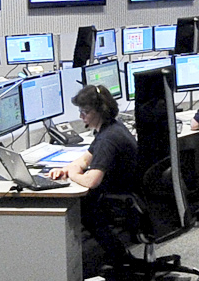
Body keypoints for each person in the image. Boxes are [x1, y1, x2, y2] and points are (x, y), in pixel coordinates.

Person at [49, 83, 141, 267]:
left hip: (122, 200)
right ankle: (117, 255)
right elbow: (85, 159)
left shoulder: (107, 139)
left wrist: (73, 175)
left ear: (100, 111)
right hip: (131, 192)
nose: (81, 116)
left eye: (85, 112)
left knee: (82, 206)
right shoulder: (112, 127)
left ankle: (117, 258)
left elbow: (92, 181)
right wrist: (66, 169)